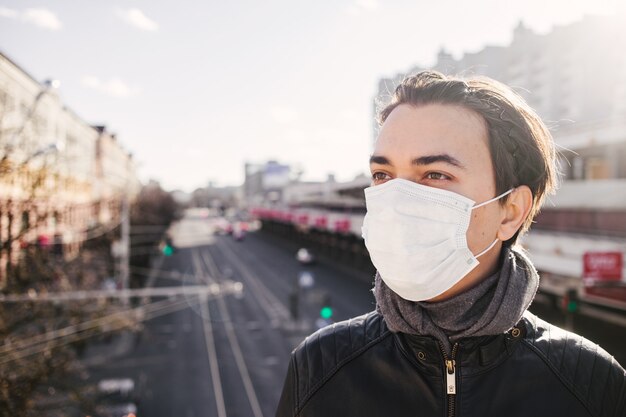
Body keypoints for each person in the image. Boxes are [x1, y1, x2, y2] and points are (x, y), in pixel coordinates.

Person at [275, 71, 626, 417]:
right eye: (383, 175)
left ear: (510, 212)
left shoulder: (591, 384)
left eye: (435, 174)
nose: (397, 199)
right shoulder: (319, 367)